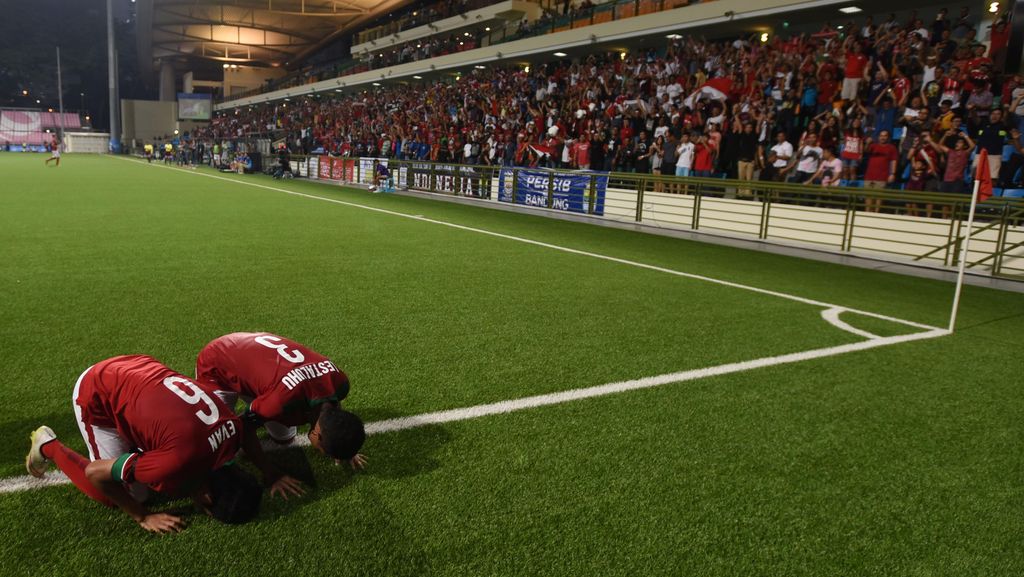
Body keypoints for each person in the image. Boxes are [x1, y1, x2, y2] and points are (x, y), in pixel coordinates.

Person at [25, 355, 263, 533]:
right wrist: (142, 517)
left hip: (139, 366)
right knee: (128, 495)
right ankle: (48, 445)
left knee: (156, 460)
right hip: (98, 390)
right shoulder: (175, 462)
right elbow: (94, 473)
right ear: (207, 498)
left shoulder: (233, 432)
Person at [195, 332, 367, 473]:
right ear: (318, 435)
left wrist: (344, 445)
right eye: (323, 450)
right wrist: (270, 474)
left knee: (284, 438)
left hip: (257, 363)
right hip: (218, 361)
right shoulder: (280, 401)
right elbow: (243, 426)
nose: (323, 453)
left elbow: (335, 406)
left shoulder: (340, 382)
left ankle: (253, 389)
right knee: (222, 439)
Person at [862, 130, 899, 212]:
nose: (883, 137)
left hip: (882, 177)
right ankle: (867, 214)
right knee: (868, 196)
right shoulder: (873, 146)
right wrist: (867, 143)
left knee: (878, 197)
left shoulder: (892, 148)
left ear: (888, 137)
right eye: (881, 135)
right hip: (869, 176)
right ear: (878, 137)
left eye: (885, 136)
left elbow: (894, 161)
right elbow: (865, 151)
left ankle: (876, 214)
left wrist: (892, 174)